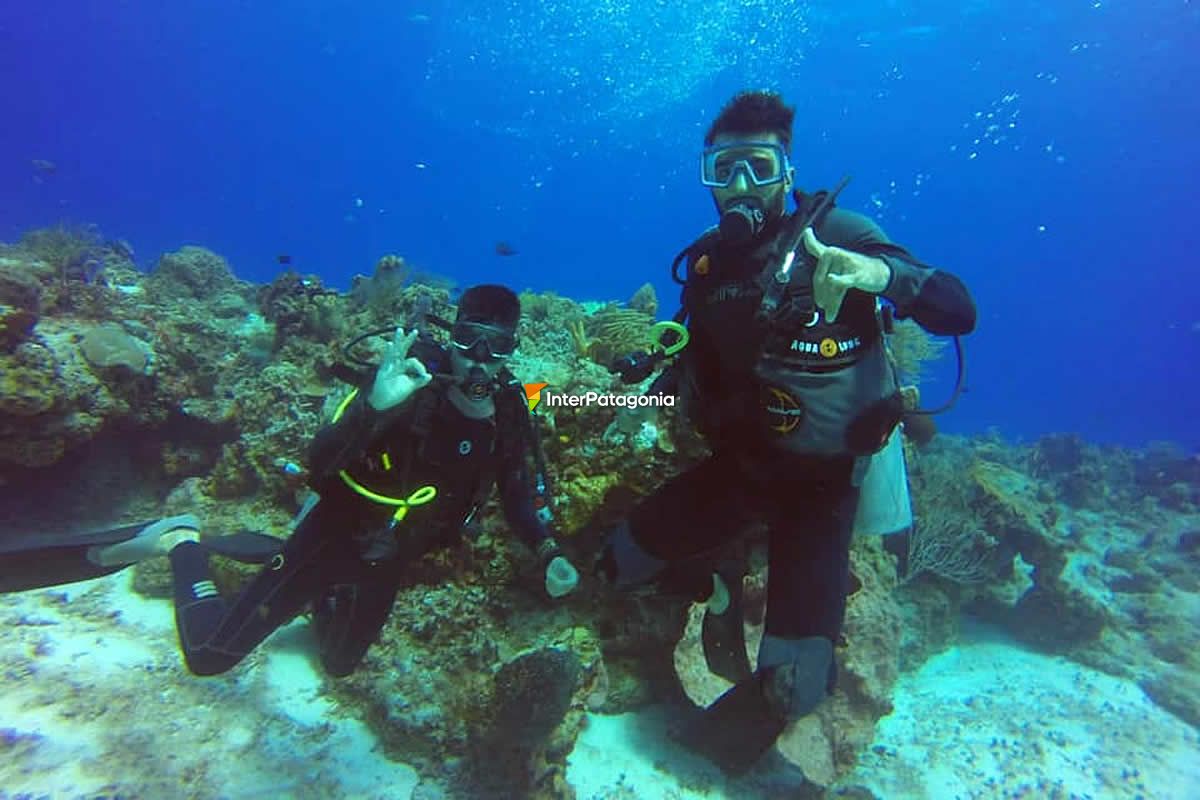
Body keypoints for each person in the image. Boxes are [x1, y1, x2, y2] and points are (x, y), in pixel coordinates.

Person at [595, 90, 977, 775]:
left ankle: (709, 760)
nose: (741, 187)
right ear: (708, 176)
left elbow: (958, 308)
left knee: (794, 686)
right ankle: (717, 575)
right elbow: (690, 352)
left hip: (820, 488)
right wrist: (644, 391)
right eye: (724, 169)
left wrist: (879, 274)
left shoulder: (842, 233)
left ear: (788, 171)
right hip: (740, 466)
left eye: (759, 167)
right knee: (612, 563)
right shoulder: (710, 265)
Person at [10, 285, 579, 677]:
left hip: (392, 558)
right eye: (469, 342)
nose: (481, 361)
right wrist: (375, 406)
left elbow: (516, 489)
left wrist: (547, 547)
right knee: (210, 658)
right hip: (329, 537)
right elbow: (319, 462)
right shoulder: (407, 385)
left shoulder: (510, 413)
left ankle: (305, 596)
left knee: (339, 664)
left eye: (497, 347)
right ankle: (181, 541)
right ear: (450, 337)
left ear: (512, 352)